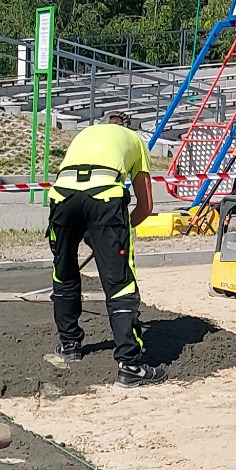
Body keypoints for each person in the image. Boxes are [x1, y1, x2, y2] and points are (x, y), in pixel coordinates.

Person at [46, 111, 164, 387]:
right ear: (126, 126)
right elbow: (145, 207)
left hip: (61, 197)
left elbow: (76, 187)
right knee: (119, 282)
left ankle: (70, 345)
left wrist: (94, 234)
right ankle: (130, 365)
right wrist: (116, 234)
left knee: (64, 273)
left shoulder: (85, 134)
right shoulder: (134, 140)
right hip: (104, 199)